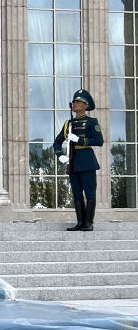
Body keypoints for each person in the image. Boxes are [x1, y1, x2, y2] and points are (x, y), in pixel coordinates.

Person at [54, 88, 103, 232]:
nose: (74, 104)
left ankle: (88, 223)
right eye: (74, 102)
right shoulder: (68, 124)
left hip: (87, 162)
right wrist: (60, 155)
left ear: (85, 105)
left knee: (90, 194)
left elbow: (99, 141)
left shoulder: (92, 122)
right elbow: (57, 142)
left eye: (78, 102)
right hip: (73, 163)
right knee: (76, 194)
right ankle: (80, 222)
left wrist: (79, 140)